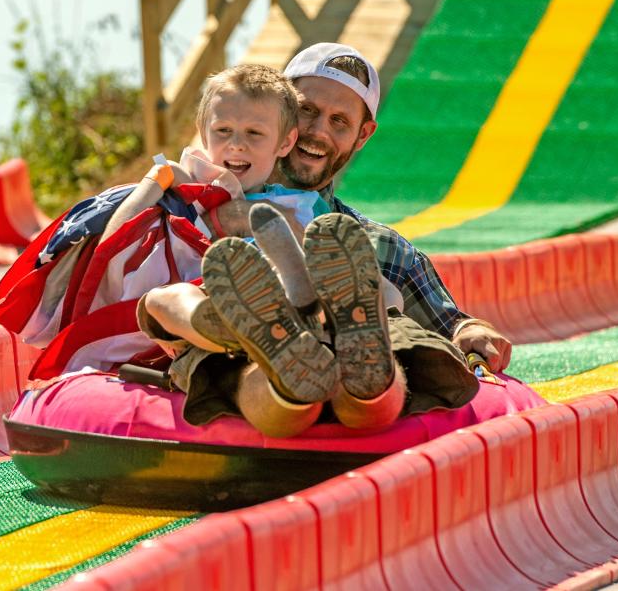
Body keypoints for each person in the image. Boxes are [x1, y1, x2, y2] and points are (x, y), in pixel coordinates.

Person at [170, 43, 510, 436]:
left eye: (339, 122)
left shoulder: (378, 246)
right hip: (242, 357)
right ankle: (293, 366)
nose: (317, 132)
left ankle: (362, 367)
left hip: (350, 374)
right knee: (231, 360)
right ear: (281, 109)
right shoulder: (199, 204)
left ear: (363, 135)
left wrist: (471, 331)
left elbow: (450, 324)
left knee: (399, 342)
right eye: (307, 111)